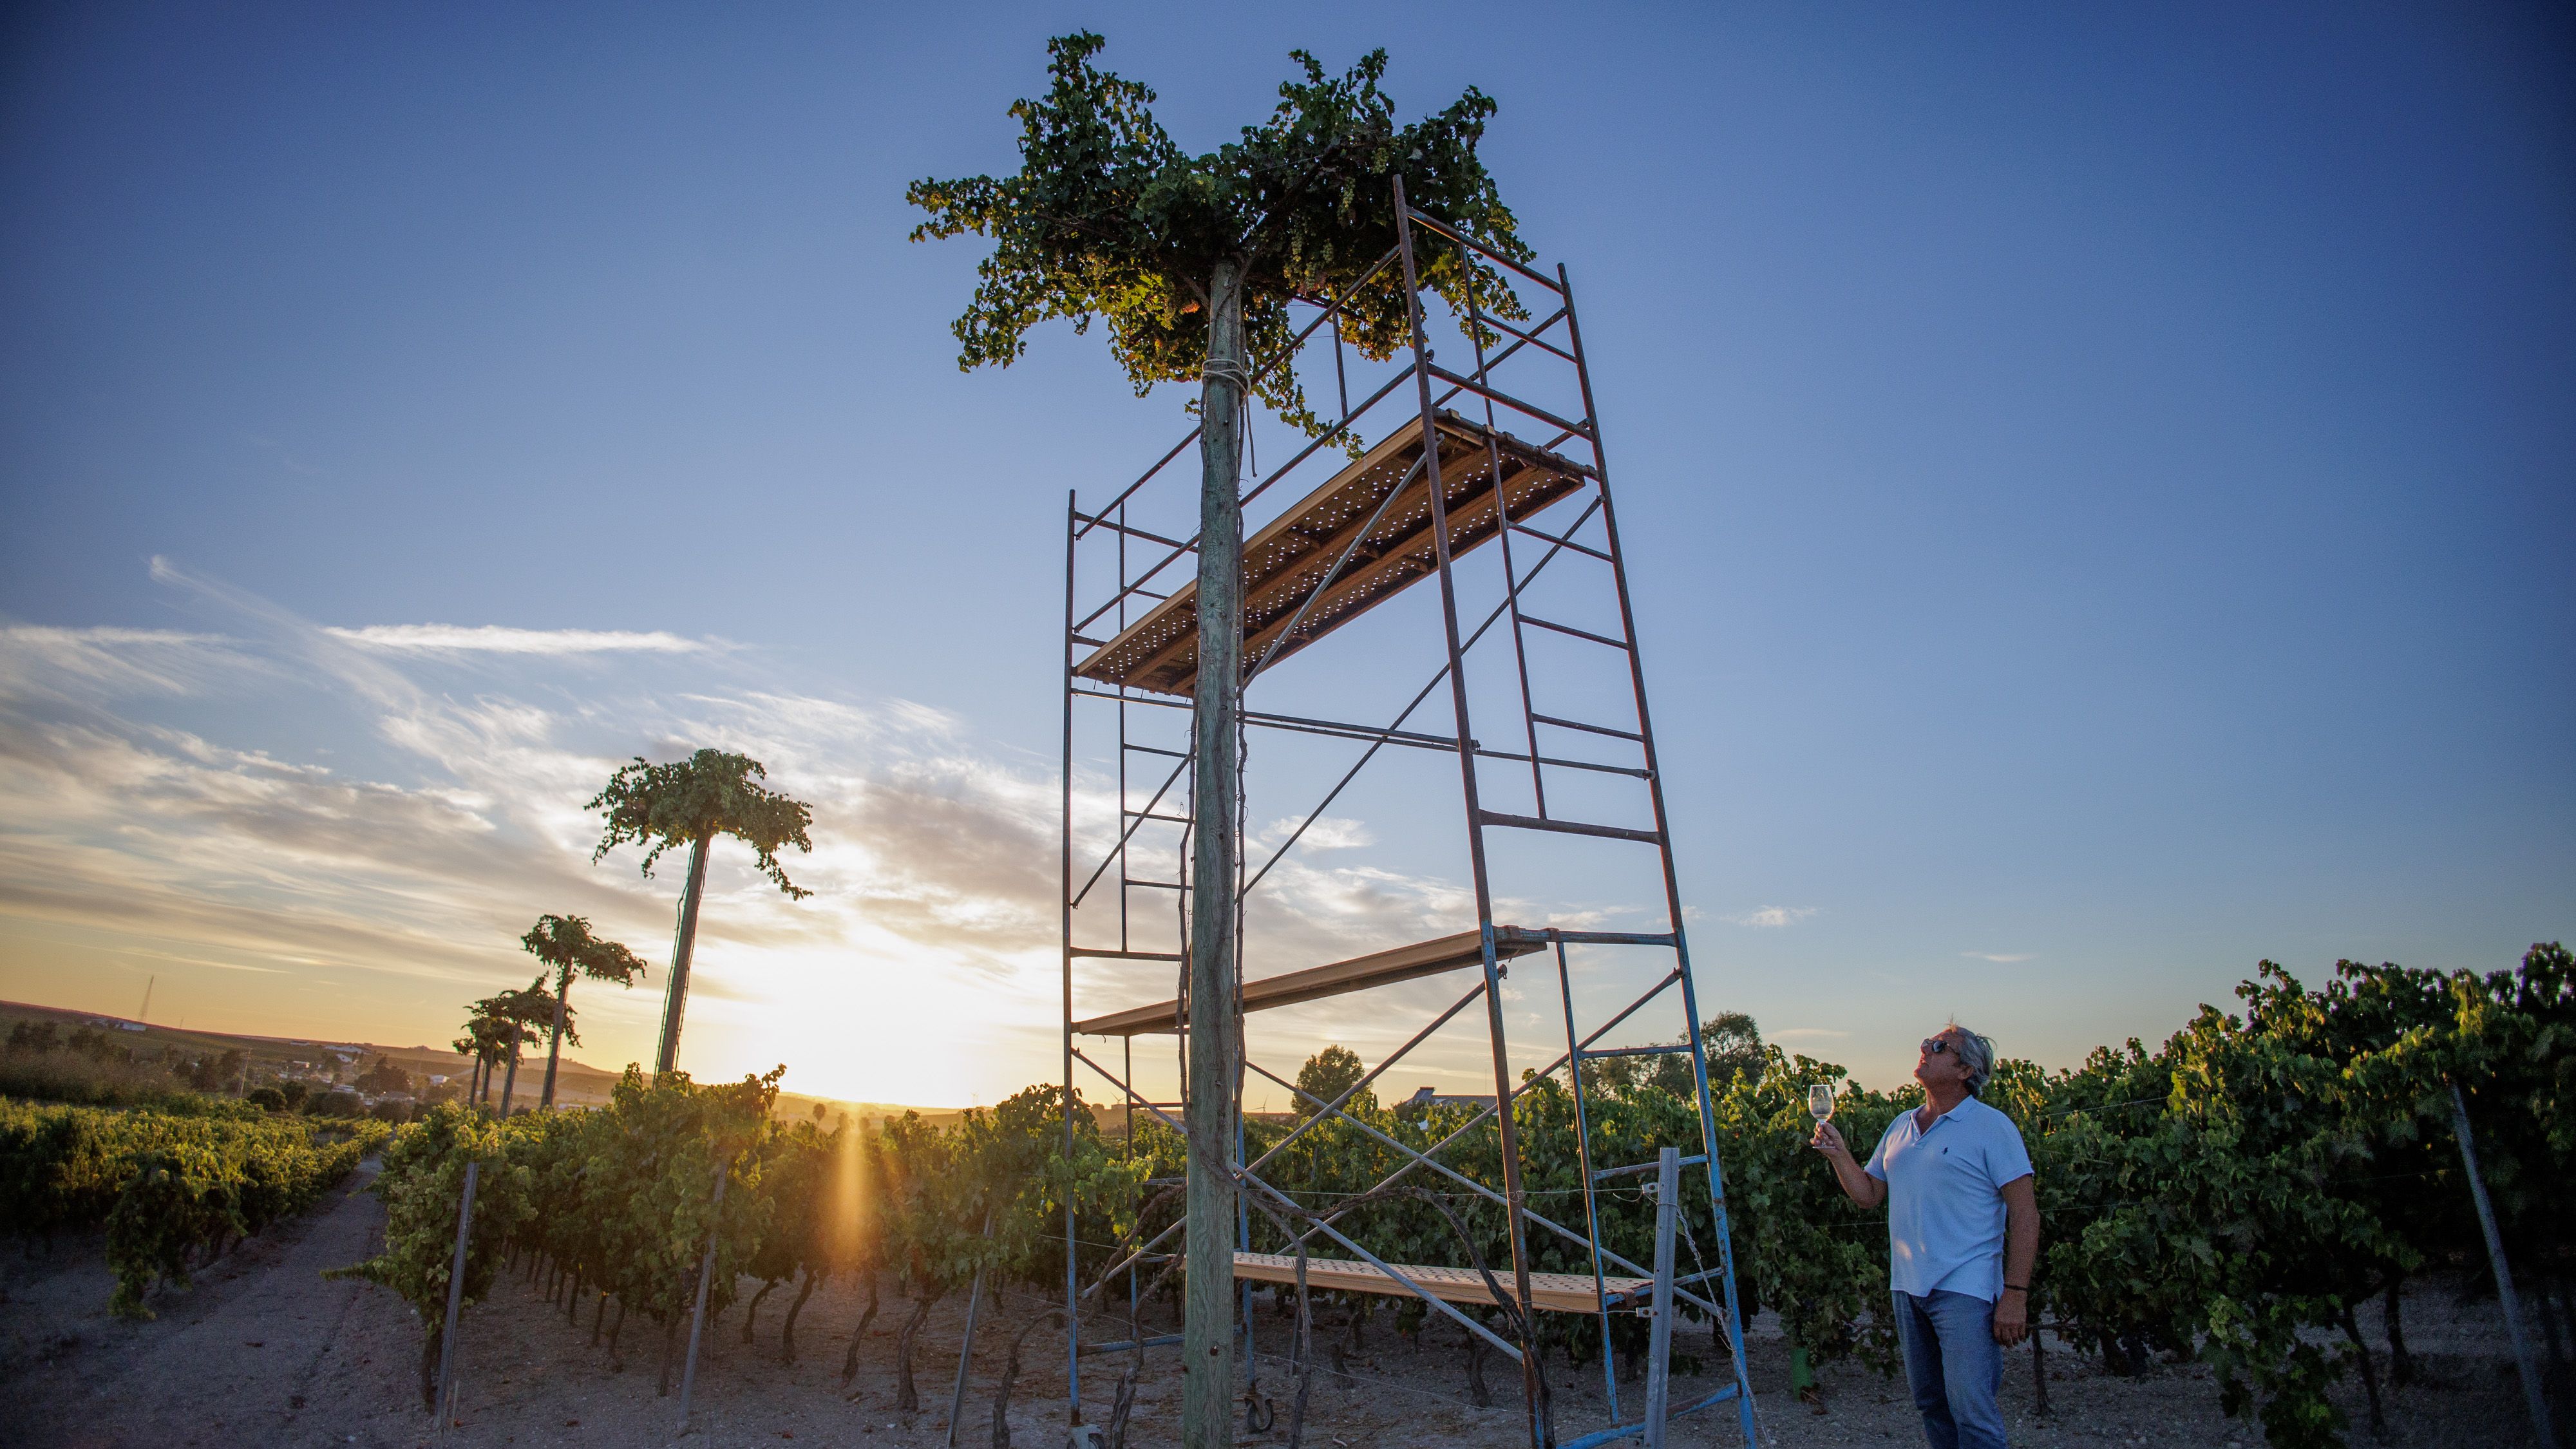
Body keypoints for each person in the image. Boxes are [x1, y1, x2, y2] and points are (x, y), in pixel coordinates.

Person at [1811, 1025, 2038, 1449]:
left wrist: (2016, 1293)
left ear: (1966, 1069)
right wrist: (1839, 1154)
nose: (1925, 1051)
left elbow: (2026, 1214)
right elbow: (1869, 1194)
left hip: (1965, 1290)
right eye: (1925, 1044)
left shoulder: (1992, 1127)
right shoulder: (1901, 1125)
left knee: (1972, 1409)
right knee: (1932, 1404)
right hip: (1908, 1289)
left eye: (1938, 1047)